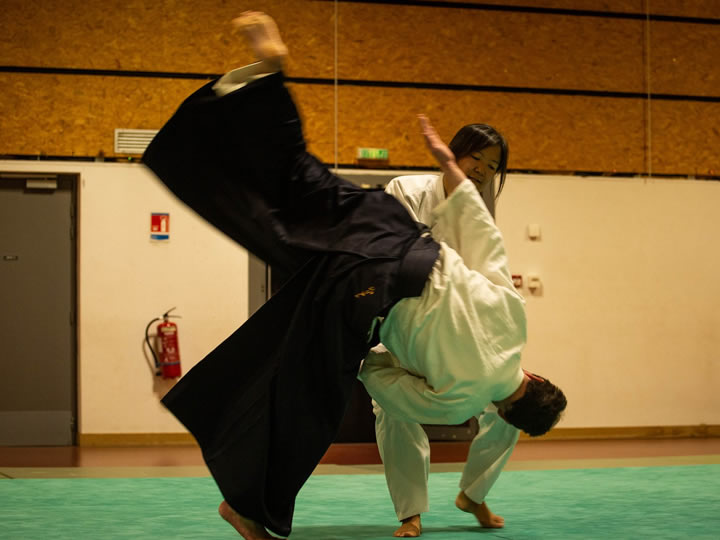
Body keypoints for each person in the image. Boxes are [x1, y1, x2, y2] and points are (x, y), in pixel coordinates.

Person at [143, 12, 566, 540]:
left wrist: (449, 166)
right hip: (370, 289)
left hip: (391, 235)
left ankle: (268, 82)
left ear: (539, 378)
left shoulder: (514, 322)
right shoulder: (458, 402)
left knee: (302, 178)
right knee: (305, 398)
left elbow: (486, 242)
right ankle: (248, 505)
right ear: (509, 411)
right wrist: (355, 361)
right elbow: (389, 390)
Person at [372, 124, 518, 537]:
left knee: (514, 403)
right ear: (455, 152)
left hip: (457, 331)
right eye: (478, 158)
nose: (484, 170)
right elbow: (392, 251)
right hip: (404, 325)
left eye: (493, 166)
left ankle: (474, 493)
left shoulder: (479, 213)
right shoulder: (407, 189)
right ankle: (410, 512)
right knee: (392, 410)